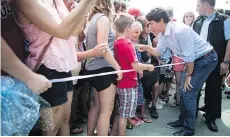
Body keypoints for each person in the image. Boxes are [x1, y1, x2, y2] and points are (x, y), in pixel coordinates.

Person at [14, 0, 105, 136]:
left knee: (65, 119)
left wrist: (81, 10)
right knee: (51, 128)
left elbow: (74, 31)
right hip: (47, 67)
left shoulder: (57, 1)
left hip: (64, 65)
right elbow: (63, 31)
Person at [138, 7, 218, 136]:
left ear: (162, 21)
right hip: (194, 60)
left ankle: (189, 130)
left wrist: (189, 75)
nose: (149, 26)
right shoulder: (163, 33)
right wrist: (147, 47)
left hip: (206, 59)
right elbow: (159, 51)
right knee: (184, 90)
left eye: (151, 23)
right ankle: (182, 121)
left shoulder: (181, 31)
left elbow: (190, 58)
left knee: (189, 93)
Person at [111, 14, 154, 136]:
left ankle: (114, 133)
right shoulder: (127, 44)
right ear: (128, 28)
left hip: (121, 83)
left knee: (120, 112)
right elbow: (135, 66)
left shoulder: (117, 42)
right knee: (124, 115)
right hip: (128, 83)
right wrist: (149, 67)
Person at [85, 0, 123, 136]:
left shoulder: (92, 19)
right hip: (104, 69)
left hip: (92, 68)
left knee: (97, 106)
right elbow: (103, 48)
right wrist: (117, 67)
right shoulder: (103, 19)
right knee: (106, 111)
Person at [194, 0, 230, 132]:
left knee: (213, 89)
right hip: (198, 61)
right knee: (194, 88)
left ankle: (210, 118)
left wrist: (225, 61)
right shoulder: (198, 21)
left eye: (198, 5)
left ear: (205, 4)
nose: (196, 8)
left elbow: (229, 42)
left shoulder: (225, 20)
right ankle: (191, 116)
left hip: (216, 61)